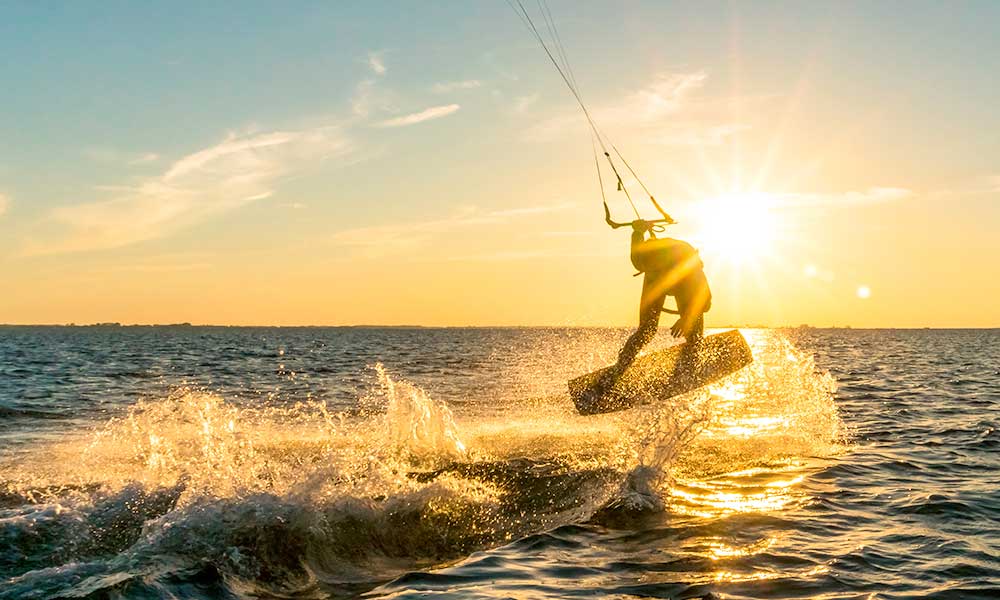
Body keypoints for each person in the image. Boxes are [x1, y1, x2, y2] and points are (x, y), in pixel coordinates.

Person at [613, 219, 712, 374]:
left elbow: (706, 302)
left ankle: (693, 360)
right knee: (647, 329)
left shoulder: (691, 272)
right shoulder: (643, 261)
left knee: (693, 326)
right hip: (656, 271)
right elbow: (638, 250)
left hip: (680, 270)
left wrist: (687, 317)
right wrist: (638, 232)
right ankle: (620, 367)